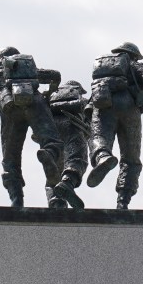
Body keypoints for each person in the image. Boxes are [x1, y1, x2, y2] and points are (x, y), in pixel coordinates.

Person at [0, 47, 64, 208]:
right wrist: (48, 94)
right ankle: (48, 154)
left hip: (10, 110)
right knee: (52, 142)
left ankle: (17, 201)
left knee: (10, 159)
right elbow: (56, 76)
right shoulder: (29, 70)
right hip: (35, 104)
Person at [86, 42, 143, 208]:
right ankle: (123, 200)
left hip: (103, 105)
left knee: (98, 138)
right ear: (134, 55)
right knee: (131, 157)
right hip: (129, 107)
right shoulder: (136, 65)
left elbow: (93, 98)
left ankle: (103, 157)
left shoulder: (104, 71)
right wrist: (141, 104)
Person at [47, 80, 90, 210]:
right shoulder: (81, 99)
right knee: (77, 157)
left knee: (55, 168)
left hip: (50, 129)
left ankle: (56, 200)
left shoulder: (51, 97)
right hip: (72, 125)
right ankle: (67, 182)